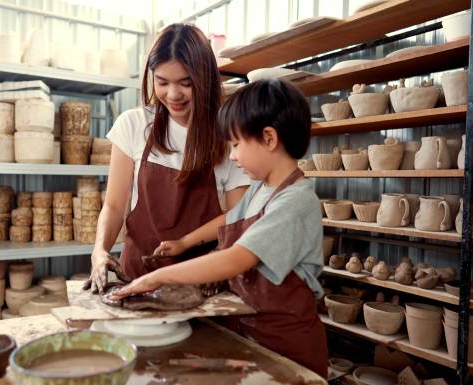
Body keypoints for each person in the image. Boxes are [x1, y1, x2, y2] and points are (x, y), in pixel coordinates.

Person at [110, 78, 329, 378]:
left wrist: (155, 278)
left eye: (237, 144)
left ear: (268, 138)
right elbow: (230, 219)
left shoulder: (295, 202)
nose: (234, 156)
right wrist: (185, 242)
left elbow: (236, 260)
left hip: (286, 347)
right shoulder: (261, 188)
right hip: (252, 333)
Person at [84, 23, 250, 293]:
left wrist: (216, 257)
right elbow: (114, 207)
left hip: (199, 281)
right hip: (137, 276)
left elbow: (237, 217)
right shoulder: (134, 125)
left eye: (186, 83)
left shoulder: (226, 137)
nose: (173, 95)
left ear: (205, 79)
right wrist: (99, 251)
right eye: (162, 82)